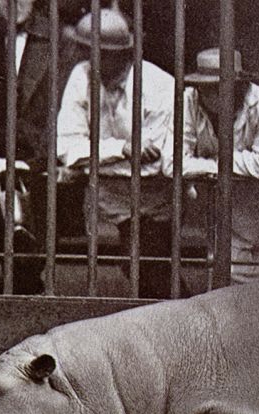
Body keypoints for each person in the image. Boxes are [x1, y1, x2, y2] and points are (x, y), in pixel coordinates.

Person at [56, 6, 175, 297]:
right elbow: (65, 145)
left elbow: (152, 164)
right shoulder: (80, 75)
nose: (91, 62)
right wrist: (122, 149)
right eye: (87, 52)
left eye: (102, 54)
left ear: (124, 53)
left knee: (150, 273)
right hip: (107, 201)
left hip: (154, 202)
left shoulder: (159, 86)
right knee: (136, 271)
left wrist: (88, 162)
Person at [0, 0, 75, 295]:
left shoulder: (61, 41)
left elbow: (66, 109)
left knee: (28, 269)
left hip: (36, 165)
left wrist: (36, 159)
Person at [172, 46, 259, 285]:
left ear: (239, 85)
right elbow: (174, 163)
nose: (212, 96)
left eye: (220, 88)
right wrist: (219, 168)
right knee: (228, 270)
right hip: (219, 198)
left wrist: (208, 164)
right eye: (206, 87)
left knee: (258, 273)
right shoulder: (189, 100)